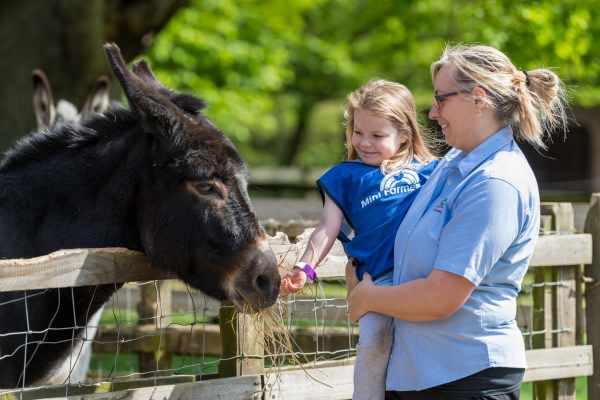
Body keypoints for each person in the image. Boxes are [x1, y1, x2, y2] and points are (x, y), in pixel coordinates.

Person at [346, 44, 569, 400]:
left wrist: (369, 297)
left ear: (478, 100)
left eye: (441, 99)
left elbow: (441, 297)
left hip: (465, 379)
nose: (433, 113)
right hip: (426, 376)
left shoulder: (495, 182)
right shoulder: (453, 164)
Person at [280, 79, 438, 399]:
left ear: (405, 134)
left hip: (424, 276)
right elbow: (327, 227)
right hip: (376, 281)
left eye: (378, 135)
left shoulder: (430, 170)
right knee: (375, 341)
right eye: (358, 132)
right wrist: (305, 268)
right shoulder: (344, 177)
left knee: (424, 350)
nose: (365, 142)